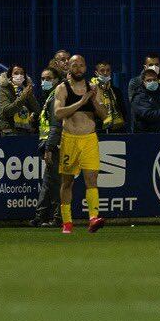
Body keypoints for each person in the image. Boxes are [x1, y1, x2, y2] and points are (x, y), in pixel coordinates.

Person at [53, 55, 106, 234]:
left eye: (81, 65)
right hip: (70, 139)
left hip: (89, 138)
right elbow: (58, 113)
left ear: (85, 68)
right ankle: (67, 222)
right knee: (67, 181)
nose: (78, 68)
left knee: (92, 179)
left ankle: (93, 218)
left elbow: (104, 114)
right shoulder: (62, 88)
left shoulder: (93, 88)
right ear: (69, 67)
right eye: (74, 65)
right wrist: (81, 102)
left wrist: (91, 100)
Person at [33, 68, 62, 228]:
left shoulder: (56, 98)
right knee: (48, 181)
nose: (45, 81)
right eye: (43, 78)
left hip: (53, 145)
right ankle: (41, 215)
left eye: (49, 78)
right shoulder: (49, 97)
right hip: (47, 144)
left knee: (55, 182)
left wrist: (49, 147)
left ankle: (57, 217)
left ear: (56, 80)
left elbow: (55, 126)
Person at [0, 64, 39, 135]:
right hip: (9, 129)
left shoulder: (25, 89)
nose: (19, 75)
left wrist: (30, 95)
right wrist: (23, 97)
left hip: (25, 130)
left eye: (22, 73)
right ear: (10, 75)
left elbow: (37, 109)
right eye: (16, 73)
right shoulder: (5, 88)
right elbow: (6, 111)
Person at [91, 61, 128, 133]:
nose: (105, 73)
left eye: (108, 70)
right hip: (97, 130)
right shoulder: (91, 90)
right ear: (96, 73)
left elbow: (123, 111)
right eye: (102, 70)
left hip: (116, 130)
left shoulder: (116, 91)